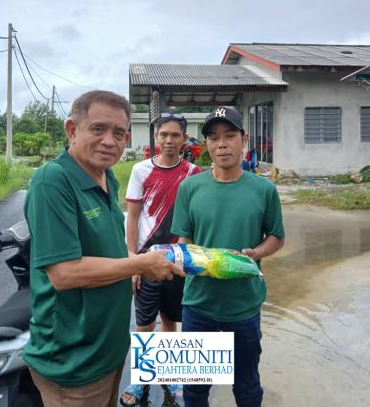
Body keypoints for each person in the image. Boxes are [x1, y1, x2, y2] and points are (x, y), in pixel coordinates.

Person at [23, 91, 182, 407]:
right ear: (72, 130)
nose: (110, 141)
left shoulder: (105, 176)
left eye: (119, 133)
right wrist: (140, 264)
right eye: (98, 129)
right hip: (74, 361)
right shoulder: (52, 182)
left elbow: (110, 251)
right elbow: (64, 273)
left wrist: (142, 258)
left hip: (107, 350)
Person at [171, 106, 285, 407]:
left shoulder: (263, 189)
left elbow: (276, 237)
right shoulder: (190, 187)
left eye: (230, 136)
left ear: (243, 140)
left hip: (244, 305)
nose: (222, 144)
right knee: (195, 389)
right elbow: (183, 239)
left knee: (247, 387)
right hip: (199, 304)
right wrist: (183, 260)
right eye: (213, 137)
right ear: (206, 144)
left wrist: (256, 253)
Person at [120, 112, 201, 406]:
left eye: (175, 135)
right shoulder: (141, 170)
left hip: (177, 262)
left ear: (184, 138)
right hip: (145, 259)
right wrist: (132, 261)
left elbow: (193, 219)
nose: (168, 140)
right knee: (144, 324)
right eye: (163, 135)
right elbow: (132, 218)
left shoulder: (194, 173)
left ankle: (171, 372)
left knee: (170, 320)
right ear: (156, 138)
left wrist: (184, 258)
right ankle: (141, 379)